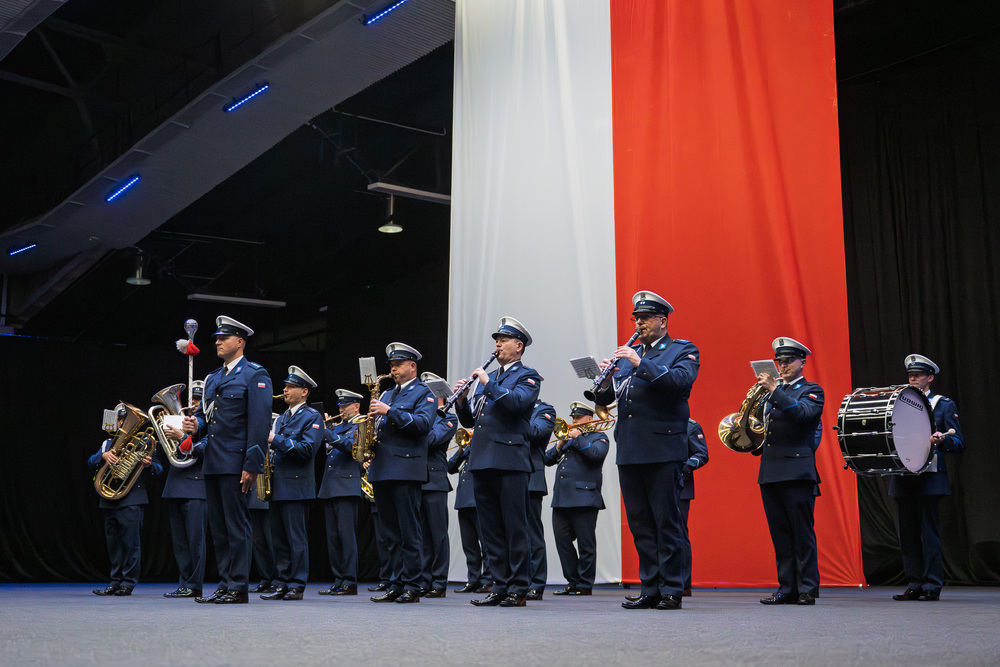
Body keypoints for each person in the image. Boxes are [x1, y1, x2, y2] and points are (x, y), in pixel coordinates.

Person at [594, 291, 698, 611]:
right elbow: (612, 403)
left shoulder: (682, 350)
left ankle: (672, 590)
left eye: (644, 318)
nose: (638, 323)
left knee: (667, 523)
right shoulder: (630, 357)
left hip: (663, 447)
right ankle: (650, 587)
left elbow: (680, 383)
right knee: (640, 523)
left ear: (662, 321)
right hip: (630, 448)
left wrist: (640, 362)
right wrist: (604, 381)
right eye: (635, 318)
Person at [182, 316, 272, 604]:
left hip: (236, 462)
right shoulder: (213, 378)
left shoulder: (255, 374)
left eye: (224, 338)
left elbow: (258, 425)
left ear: (240, 341)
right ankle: (225, 583)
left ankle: (238, 587)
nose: (218, 342)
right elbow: (210, 421)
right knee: (219, 529)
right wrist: (195, 427)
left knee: (236, 525)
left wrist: (252, 465)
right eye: (217, 338)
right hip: (214, 460)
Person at [455, 316, 541, 608]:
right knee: (490, 528)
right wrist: (461, 400)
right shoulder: (488, 381)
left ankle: (518, 588)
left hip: (509, 460)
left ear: (518, 346)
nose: (497, 345)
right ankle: (500, 586)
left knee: (514, 527)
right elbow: (471, 420)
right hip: (481, 460)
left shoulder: (528, 376)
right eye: (497, 340)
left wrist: (488, 383)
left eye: (503, 340)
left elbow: (516, 403)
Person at [754, 337, 824, 606]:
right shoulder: (773, 394)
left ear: (802, 362)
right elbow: (765, 429)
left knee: (801, 532)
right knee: (780, 533)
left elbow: (802, 415)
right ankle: (787, 587)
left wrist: (775, 391)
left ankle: (807, 587)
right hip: (771, 469)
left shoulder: (811, 390)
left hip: (797, 469)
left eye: (787, 361)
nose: (781, 365)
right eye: (779, 361)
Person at [890, 354, 965, 602]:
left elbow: (959, 442)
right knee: (908, 534)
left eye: (918, 375)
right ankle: (914, 583)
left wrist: (943, 440)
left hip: (930, 476)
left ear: (930, 378)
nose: (913, 379)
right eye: (910, 375)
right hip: (903, 475)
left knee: (929, 533)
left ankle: (932, 584)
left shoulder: (943, 405)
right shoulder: (897, 403)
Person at [366, 342, 435, 604]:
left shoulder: (423, 393)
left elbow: (424, 425)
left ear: (412, 366)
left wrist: (390, 412)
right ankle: (394, 584)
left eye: (398, 365)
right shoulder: (386, 394)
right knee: (390, 535)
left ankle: (412, 586)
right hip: (382, 467)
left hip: (406, 468)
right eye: (391, 366)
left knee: (409, 531)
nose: (393, 369)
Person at [260, 366, 322, 600]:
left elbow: (307, 449)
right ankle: (282, 582)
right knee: (279, 539)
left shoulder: (312, 416)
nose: (284, 390)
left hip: (296, 486)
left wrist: (276, 439)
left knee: (296, 539)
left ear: (304, 391)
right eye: (285, 386)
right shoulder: (284, 417)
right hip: (278, 484)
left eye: (290, 387)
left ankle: (297, 584)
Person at [89, 405, 163, 596]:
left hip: (131, 498)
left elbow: (158, 469)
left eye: (124, 420)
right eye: (120, 420)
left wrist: (148, 465)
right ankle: (114, 581)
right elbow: (91, 462)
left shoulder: (144, 442)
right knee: (113, 543)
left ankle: (128, 582)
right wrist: (102, 456)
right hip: (109, 499)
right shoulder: (107, 443)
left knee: (131, 543)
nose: (122, 423)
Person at [544, 402, 610, 596]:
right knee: (562, 541)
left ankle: (584, 584)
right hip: (562, 498)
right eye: (573, 418)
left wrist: (579, 438)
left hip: (585, 497)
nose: (573, 421)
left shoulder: (599, 437)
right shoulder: (569, 440)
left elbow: (596, 455)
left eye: (578, 418)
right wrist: (559, 445)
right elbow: (546, 460)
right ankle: (572, 581)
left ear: (589, 419)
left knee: (585, 543)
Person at [161, 381, 207, 598]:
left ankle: (194, 584)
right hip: (176, 483)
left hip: (197, 484)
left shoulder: (207, 422)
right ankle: (184, 582)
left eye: (198, 401)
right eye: (192, 400)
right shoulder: (181, 418)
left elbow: (209, 450)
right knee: (179, 541)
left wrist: (183, 437)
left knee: (195, 540)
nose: (194, 405)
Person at [317, 389, 365, 596]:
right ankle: (338, 579)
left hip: (347, 486)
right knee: (333, 536)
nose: (342, 409)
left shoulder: (360, 425)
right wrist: (328, 431)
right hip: (331, 485)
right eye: (340, 406)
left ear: (357, 407)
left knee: (346, 537)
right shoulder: (338, 427)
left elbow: (351, 447)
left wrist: (327, 432)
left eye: (346, 406)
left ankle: (350, 581)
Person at [417, 372, 458, 598]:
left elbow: (432, 440)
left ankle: (439, 581)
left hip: (435, 480)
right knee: (421, 535)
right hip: (416, 479)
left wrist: (413, 426)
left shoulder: (448, 419)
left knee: (437, 535)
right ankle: (423, 580)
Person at [448, 435, 492, 594]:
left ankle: (489, 580)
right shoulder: (465, 449)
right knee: (470, 545)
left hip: (479, 501)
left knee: (486, 544)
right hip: (463, 501)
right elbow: (450, 467)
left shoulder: (484, 443)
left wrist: (473, 442)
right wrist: (460, 450)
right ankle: (473, 579)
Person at [526, 399, 555, 600]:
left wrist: (512, 414)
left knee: (531, 534)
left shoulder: (544, 409)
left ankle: (536, 583)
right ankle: (512, 581)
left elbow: (536, 432)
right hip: (506, 474)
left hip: (529, 477)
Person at [679, 419, 709, 597]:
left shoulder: (690, 426)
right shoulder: (653, 422)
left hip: (679, 486)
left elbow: (701, 454)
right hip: (655, 485)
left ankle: (683, 584)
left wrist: (683, 467)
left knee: (678, 534)